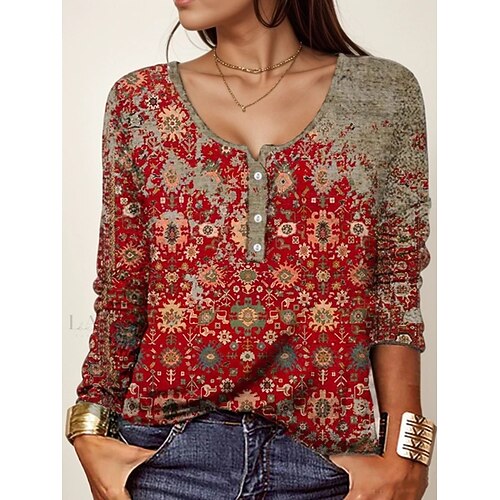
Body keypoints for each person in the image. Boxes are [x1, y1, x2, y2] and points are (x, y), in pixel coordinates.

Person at [65, 1, 436, 499]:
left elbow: (395, 285)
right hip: (165, 460)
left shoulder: (383, 95)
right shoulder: (141, 103)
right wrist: (88, 431)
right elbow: (122, 284)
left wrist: (408, 456)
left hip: (326, 464)